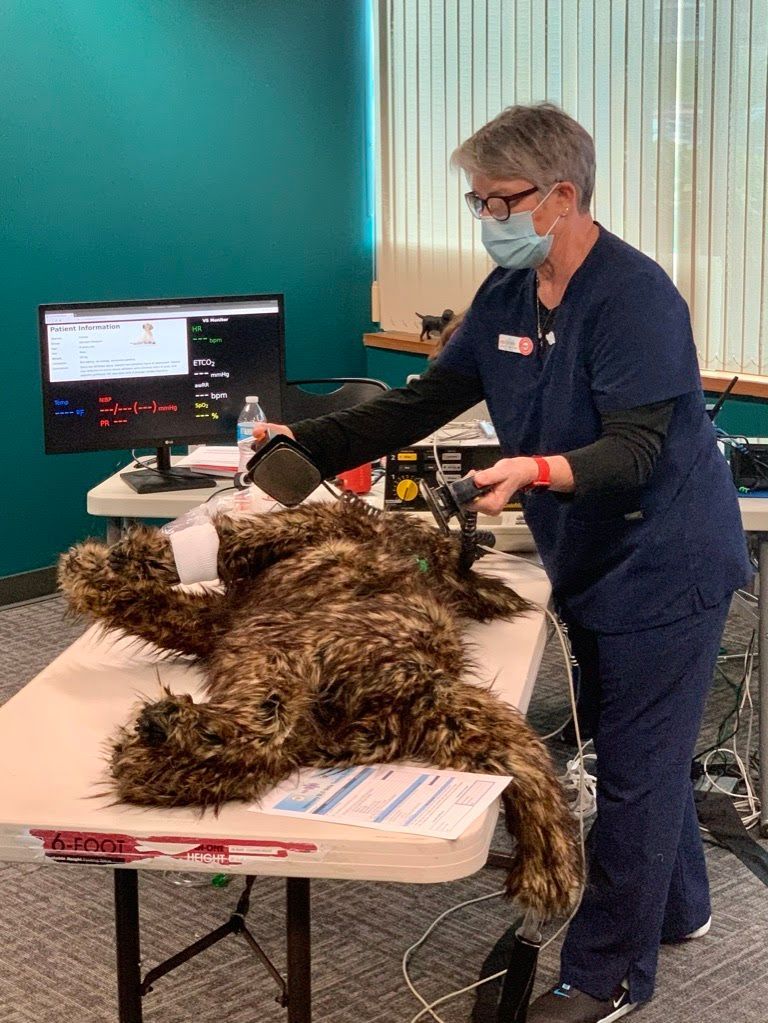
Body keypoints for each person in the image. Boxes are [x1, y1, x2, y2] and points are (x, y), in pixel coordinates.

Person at [253, 103, 751, 1021]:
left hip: (666, 562)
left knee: (636, 765)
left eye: (501, 202)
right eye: (477, 202)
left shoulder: (635, 298)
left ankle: (606, 975)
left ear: (562, 196)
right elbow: (428, 398)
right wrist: (312, 446)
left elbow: (635, 450)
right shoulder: (508, 298)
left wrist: (534, 468)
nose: (488, 220)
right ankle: (677, 906)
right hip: (593, 554)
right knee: (635, 743)